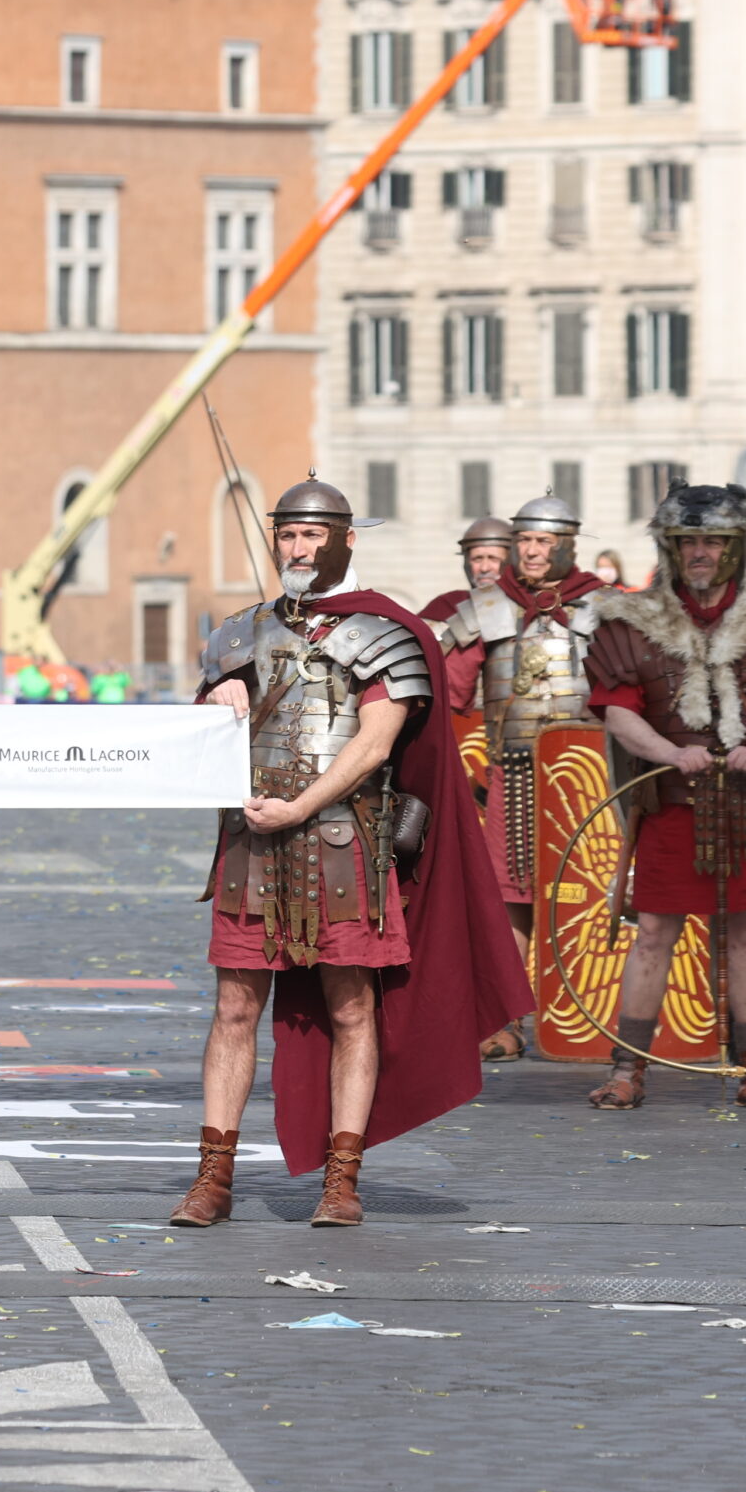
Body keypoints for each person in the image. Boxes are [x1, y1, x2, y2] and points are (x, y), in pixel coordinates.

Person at [170, 477, 529, 1229]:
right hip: (249, 847)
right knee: (234, 1008)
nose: (297, 548)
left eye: (312, 535)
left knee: (352, 1007)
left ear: (343, 540)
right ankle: (213, 1178)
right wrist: (214, 700)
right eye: (287, 535)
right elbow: (202, 734)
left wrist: (300, 805)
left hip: (342, 844)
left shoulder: (386, 631)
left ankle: (342, 1179)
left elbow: (376, 741)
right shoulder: (239, 633)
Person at [582, 483, 746, 1112]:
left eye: (714, 541)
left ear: (736, 548)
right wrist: (671, 752)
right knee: (655, 932)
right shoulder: (627, 621)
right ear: (671, 546)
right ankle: (628, 1069)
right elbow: (618, 715)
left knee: (745, 934)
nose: (700, 552)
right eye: (689, 540)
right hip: (669, 804)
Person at [435, 495, 610, 1061]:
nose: (532, 553)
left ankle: (598, 1016)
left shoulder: (608, 610)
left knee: (592, 900)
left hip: (588, 781)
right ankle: (505, 1019)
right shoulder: (486, 608)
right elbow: (445, 694)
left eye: (544, 543)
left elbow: (635, 692)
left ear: (567, 545)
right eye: (525, 542)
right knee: (510, 903)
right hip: (513, 776)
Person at [418, 517, 513, 622]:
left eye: (493, 559)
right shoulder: (446, 606)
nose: (484, 568)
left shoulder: (526, 605)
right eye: (477, 559)